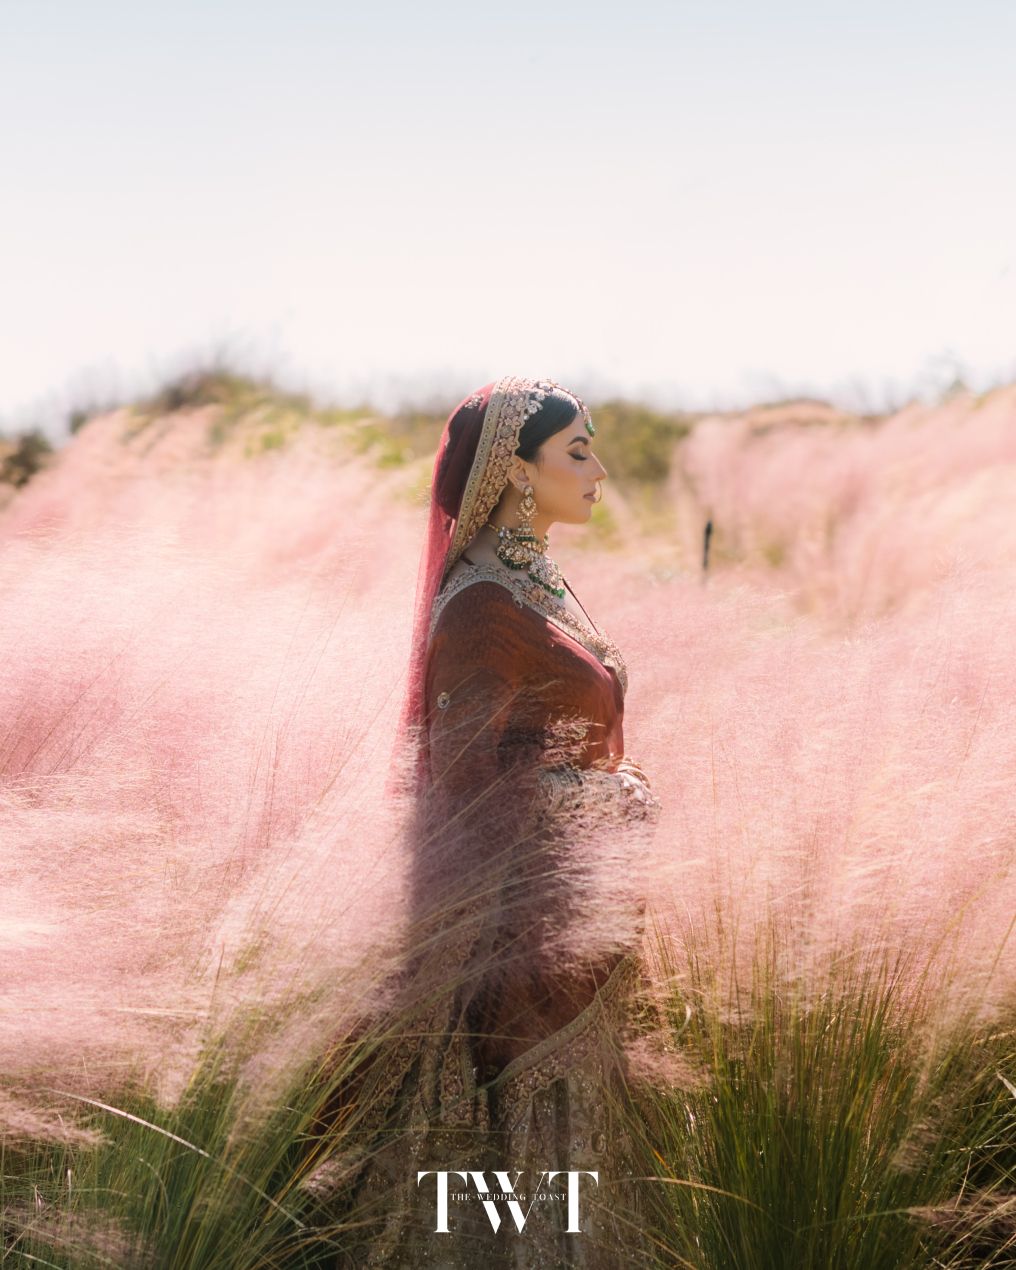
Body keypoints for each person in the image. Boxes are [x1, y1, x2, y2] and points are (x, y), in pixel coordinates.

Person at [311, 376, 661, 1268]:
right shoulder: (482, 610)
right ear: (512, 470)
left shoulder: (533, 585)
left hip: (578, 937)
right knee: (532, 1201)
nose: (600, 471)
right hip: (520, 958)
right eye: (576, 452)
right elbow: (465, 801)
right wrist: (603, 802)